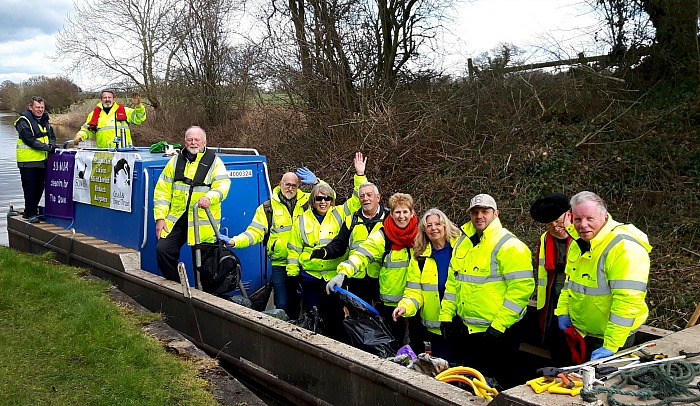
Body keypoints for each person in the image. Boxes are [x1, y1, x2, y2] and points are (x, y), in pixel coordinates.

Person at [439, 193, 534, 388]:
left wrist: (498, 327)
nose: (479, 216)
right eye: (475, 212)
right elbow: (453, 283)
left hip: (500, 333)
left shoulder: (510, 246)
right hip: (470, 331)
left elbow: (521, 291)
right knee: (475, 386)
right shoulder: (463, 244)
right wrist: (446, 315)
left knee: (505, 386)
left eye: (485, 211)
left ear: (496, 214)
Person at [555, 191, 651, 361]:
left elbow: (627, 301)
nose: (583, 225)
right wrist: (563, 311)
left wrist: (611, 344)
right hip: (583, 333)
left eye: (589, 218)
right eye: (578, 219)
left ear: (604, 216)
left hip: (612, 339)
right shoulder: (578, 243)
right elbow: (569, 283)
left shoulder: (624, 247)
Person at [286, 153, 367, 341]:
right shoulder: (301, 220)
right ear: (313, 200)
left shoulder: (340, 213)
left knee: (336, 318)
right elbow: (293, 249)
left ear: (332, 200)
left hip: (334, 278)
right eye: (319, 198)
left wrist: (360, 175)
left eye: (327, 198)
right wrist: (292, 275)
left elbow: (358, 198)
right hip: (311, 277)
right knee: (313, 318)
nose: (323, 201)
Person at [226, 167, 321, 318]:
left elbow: (328, 198)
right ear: (280, 184)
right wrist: (235, 241)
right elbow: (254, 232)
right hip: (280, 264)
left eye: (294, 185)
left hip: (304, 263)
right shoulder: (267, 208)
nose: (290, 188)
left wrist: (316, 183)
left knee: (304, 303)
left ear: (298, 186)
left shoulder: (307, 203)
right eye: (287, 184)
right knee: (282, 303)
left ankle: (299, 333)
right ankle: (283, 332)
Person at [330, 193, 419, 350]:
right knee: (393, 349)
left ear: (412, 213)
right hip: (391, 304)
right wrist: (343, 272)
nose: (402, 216)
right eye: (397, 212)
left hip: (417, 303)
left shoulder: (421, 235)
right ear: (391, 213)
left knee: (417, 346)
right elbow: (362, 254)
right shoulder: (383, 235)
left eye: (405, 212)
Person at [153, 126, 231, 282]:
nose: (193, 143)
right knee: (163, 250)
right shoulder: (175, 162)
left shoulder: (215, 163)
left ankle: (207, 298)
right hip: (178, 217)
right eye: (190, 139)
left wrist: (209, 197)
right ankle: (177, 286)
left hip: (202, 221)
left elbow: (223, 185)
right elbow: (162, 190)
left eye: (196, 140)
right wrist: (160, 218)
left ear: (204, 142)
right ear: (185, 142)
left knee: (205, 266)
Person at [392, 208, 462, 360]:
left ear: (445, 226)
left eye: (437, 224)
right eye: (429, 225)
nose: (433, 228)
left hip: (460, 324)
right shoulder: (419, 257)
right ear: (424, 230)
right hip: (435, 328)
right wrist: (405, 306)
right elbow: (414, 292)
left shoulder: (461, 250)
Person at [311, 179, 387, 305]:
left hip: (382, 278)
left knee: (383, 320)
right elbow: (339, 244)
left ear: (378, 197)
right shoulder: (351, 220)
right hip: (356, 279)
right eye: (362, 196)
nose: (365, 198)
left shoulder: (389, 218)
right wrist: (325, 252)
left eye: (369, 195)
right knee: (359, 320)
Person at [529, 193, 573, 366]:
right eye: (549, 224)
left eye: (559, 221)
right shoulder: (545, 239)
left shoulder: (583, 238)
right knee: (557, 353)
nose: (555, 227)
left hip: (577, 310)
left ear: (569, 214)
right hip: (551, 308)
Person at [14, 96, 57, 223]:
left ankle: (33, 211)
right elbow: (30, 140)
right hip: (27, 161)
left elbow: (52, 136)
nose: (40, 110)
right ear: (30, 107)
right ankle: (30, 213)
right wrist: (48, 148)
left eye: (42, 107)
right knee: (30, 188)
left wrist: (52, 146)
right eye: (37, 107)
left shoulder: (45, 120)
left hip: (42, 160)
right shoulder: (23, 121)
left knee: (39, 187)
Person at [73, 89, 146, 148]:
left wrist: (138, 106)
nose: (107, 99)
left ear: (114, 99)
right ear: (101, 99)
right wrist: (80, 136)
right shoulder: (94, 114)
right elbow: (87, 130)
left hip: (124, 152)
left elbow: (139, 118)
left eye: (109, 97)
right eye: (105, 98)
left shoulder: (124, 111)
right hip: (103, 153)